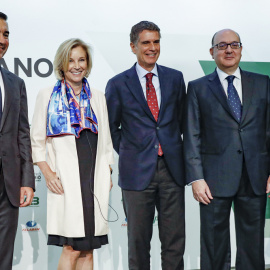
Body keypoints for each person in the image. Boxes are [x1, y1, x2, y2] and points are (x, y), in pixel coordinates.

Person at [184, 29, 270, 270]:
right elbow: (191, 135)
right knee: (213, 245)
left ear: (241, 49)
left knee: (253, 246)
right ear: (212, 52)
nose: (229, 50)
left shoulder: (263, 83)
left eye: (234, 45)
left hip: (255, 176)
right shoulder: (198, 87)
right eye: (222, 46)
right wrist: (196, 178)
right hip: (213, 179)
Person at [106, 21, 186, 270]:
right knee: (138, 243)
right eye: (146, 42)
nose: (152, 47)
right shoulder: (118, 83)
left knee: (175, 242)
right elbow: (111, 129)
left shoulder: (175, 78)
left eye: (156, 41)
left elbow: (183, 122)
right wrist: (132, 151)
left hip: (172, 170)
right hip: (136, 172)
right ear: (133, 46)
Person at [30, 38, 114, 270]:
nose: (77, 66)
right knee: (71, 247)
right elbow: (36, 141)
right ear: (61, 65)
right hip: (65, 180)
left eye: (82, 60)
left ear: (87, 63)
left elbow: (106, 141)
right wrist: (48, 174)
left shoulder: (98, 96)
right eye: (71, 60)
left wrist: (107, 171)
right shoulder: (47, 95)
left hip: (93, 179)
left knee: (88, 248)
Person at [0, 12, 35, 270]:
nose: (3, 40)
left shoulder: (16, 83)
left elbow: (23, 134)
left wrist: (27, 181)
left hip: (8, 184)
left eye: (6, 34)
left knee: (4, 256)